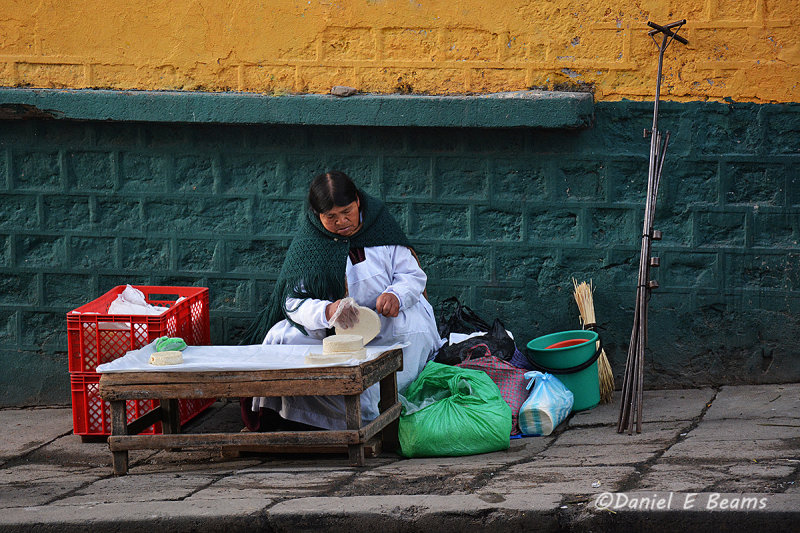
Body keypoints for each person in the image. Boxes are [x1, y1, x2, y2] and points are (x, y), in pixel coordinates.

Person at [241, 170, 442, 431]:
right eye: (331, 217)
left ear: (358, 201)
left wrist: (396, 295)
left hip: (386, 322)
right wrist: (328, 311)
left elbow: (411, 275)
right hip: (331, 333)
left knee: (413, 326)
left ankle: (386, 409)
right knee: (282, 338)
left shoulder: (381, 228)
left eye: (347, 211)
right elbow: (293, 302)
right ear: (317, 215)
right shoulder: (310, 244)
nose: (342, 222)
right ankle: (304, 418)